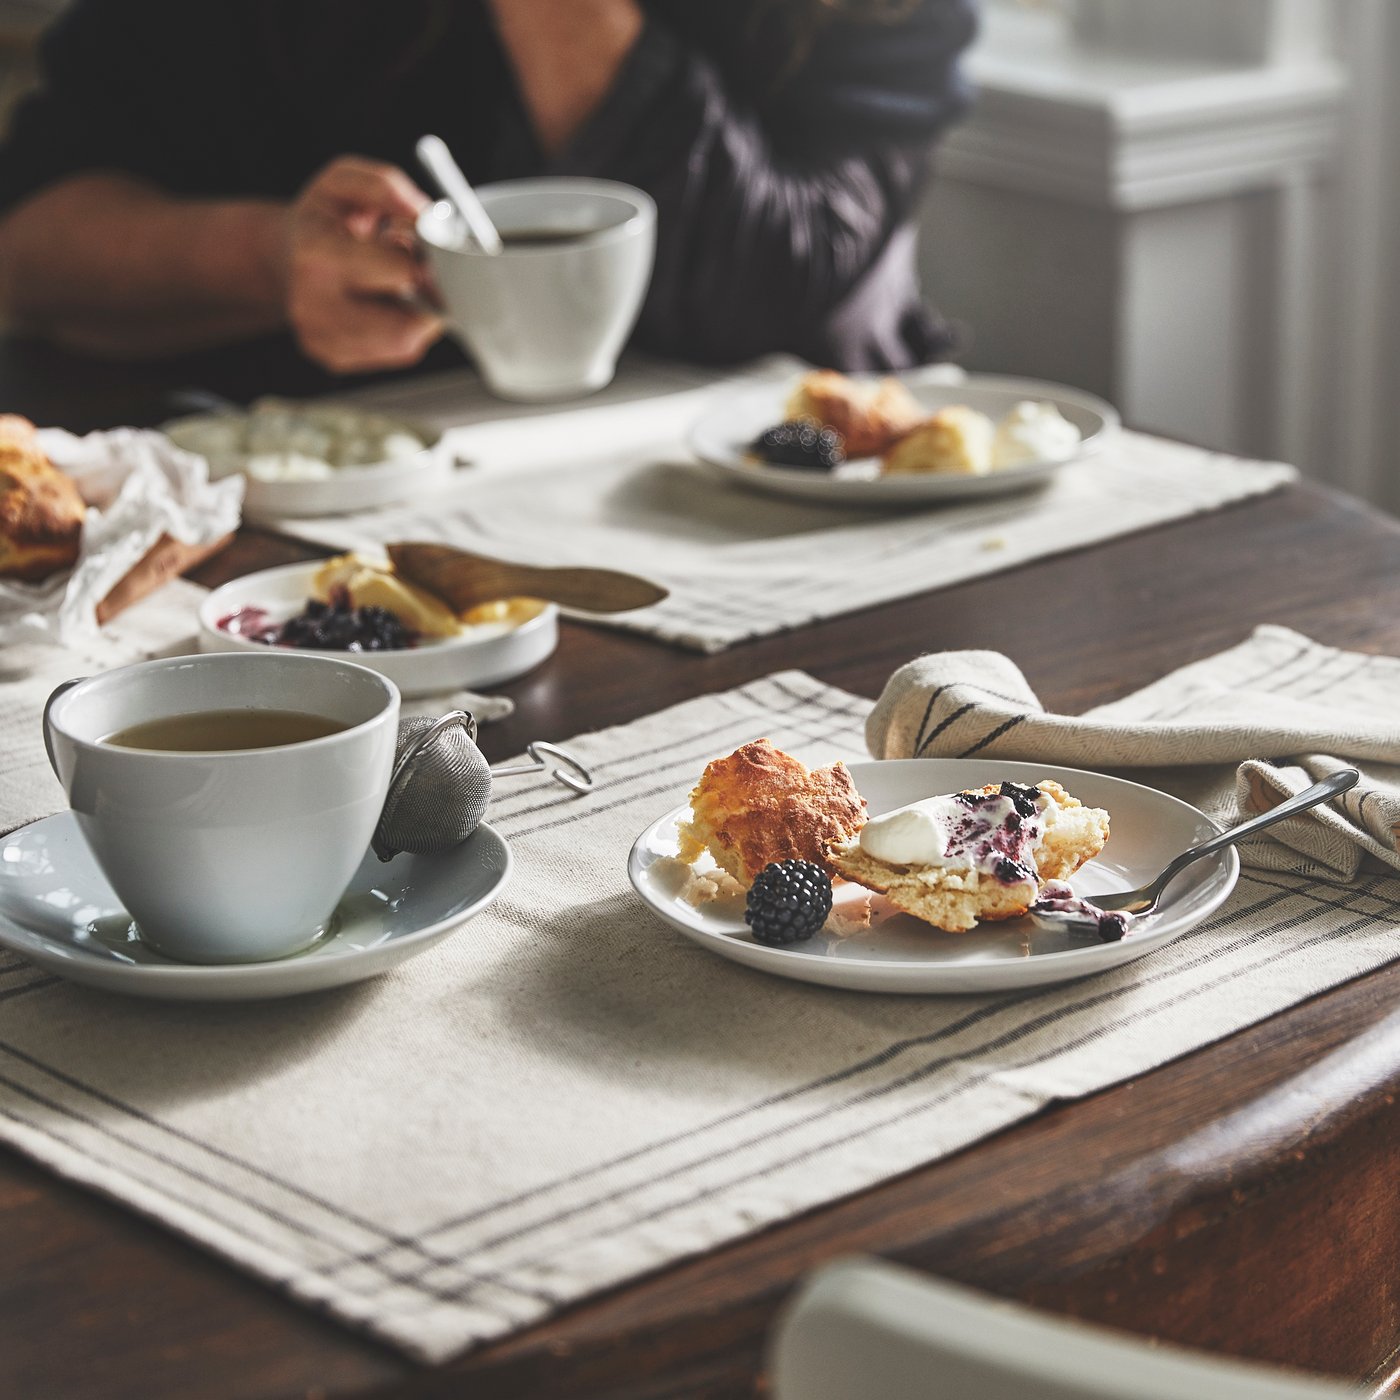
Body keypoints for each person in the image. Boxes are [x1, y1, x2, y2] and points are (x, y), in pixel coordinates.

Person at [0, 0, 977, 376]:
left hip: (808, 530)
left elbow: (774, 295)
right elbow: (31, 249)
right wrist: (267, 257)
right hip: (334, 525)